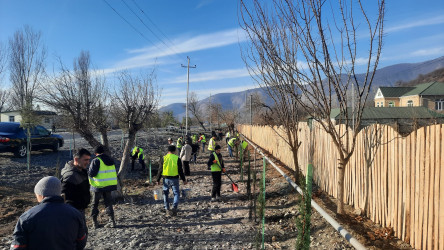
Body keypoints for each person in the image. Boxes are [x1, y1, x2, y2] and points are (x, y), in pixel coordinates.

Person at [11, 176, 87, 249]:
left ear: (41, 195)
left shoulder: (26, 218)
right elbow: (81, 242)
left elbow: (18, 247)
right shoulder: (75, 214)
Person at [61, 148, 91, 233]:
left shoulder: (81, 171)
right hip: (74, 212)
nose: (88, 162)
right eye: (85, 160)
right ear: (76, 159)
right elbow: (63, 196)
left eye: (89, 160)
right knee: (79, 234)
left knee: (82, 233)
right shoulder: (70, 176)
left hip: (80, 209)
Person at [88, 145, 117, 229]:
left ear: (95, 153)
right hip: (109, 185)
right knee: (108, 203)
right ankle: (112, 221)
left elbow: (92, 174)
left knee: (94, 204)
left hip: (98, 185)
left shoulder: (96, 160)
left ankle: (94, 223)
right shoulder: (110, 160)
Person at [156, 145, 187, 216]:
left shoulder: (163, 158)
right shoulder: (177, 158)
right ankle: (174, 207)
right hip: (175, 179)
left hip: (165, 179)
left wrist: (158, 179)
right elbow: (180, 170)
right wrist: (184, 179)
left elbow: (160, 169)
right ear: (174, 151)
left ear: (168, 151)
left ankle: (167, 208)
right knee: (176, 193)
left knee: (165, 194)